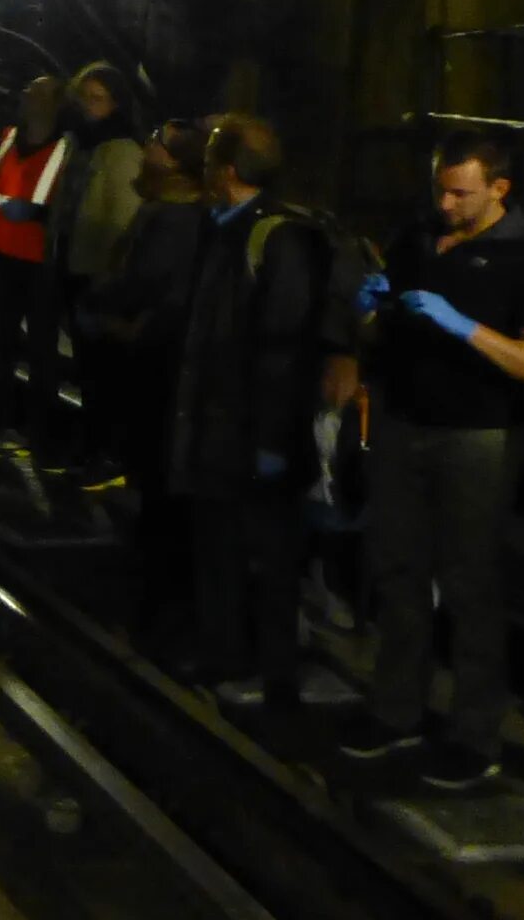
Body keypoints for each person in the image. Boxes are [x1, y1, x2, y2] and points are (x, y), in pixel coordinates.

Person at [339, 128, 524, 789]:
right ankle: (395, 709)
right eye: (439, 188)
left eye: (459, 193)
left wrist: (465, 327)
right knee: (399, 571)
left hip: (477, 438)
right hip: (404, 424)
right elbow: (377, 330)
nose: (445, 202)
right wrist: (371, 316)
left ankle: (475, 733)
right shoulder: (417, 238)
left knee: (470, 584)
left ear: (499, 189)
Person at [169, 115, 341, 721]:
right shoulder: (226, 230)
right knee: (217, 543)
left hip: (254, 429)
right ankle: (224, 655)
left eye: (214, 159)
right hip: (219, 425)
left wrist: (271, 438)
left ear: (232, 171)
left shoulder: (278, 238)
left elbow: (282, 348)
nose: (206, 171)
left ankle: (272, 673)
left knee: (267, 555)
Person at [81, 118, 211, 636]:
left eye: (158, 143)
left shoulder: (175, 218)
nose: (147, 148)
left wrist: (106, 302)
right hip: (153, 353)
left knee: (157, 476)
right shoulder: (170, 209)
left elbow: (147, 281)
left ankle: (158, 601)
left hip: (155, 358)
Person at [0, 76, 70, 456]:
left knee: (42, 353)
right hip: (3, 258)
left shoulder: (66, 148)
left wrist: (38, 214)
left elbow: (68, 207)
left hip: (42, 265)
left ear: (56, 104)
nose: (28, 97)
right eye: (28, 91)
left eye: (38, 93)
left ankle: (41, 433)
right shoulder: (8, 138)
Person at [59, 62, 147, 477]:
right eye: (85, 97)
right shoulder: (85, 146)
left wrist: (109, 285)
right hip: (78, 271)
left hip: (100, 280)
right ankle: (91, 446)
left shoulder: (122, 151)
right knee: (90, 368)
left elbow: (122, 224)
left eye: (98, 98)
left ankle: (105, 453)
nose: (89, 107)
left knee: (105, 371)